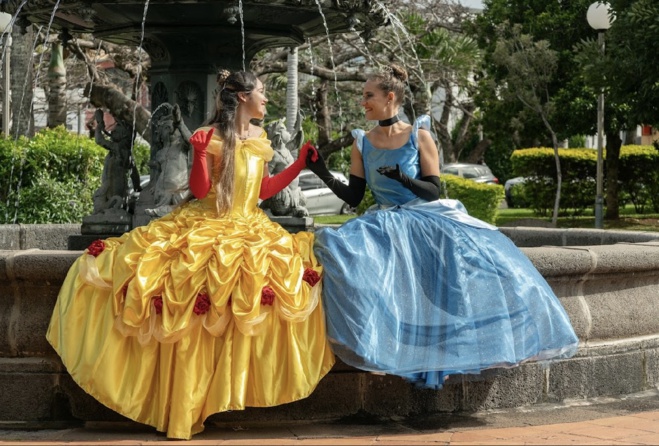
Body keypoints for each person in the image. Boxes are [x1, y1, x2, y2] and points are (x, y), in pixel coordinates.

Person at [46, 70, 335, 439]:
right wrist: (199, 152)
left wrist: (299, 165)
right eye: (262, 92)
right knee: (189, 287)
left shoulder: (261, 138)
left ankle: (225, 389)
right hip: (206, 221)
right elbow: (199, 191)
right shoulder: (210, 136)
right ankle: (185, 398)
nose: (267, 98)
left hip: (250, 224)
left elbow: (262, 189)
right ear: (243, 97)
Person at [306, 64, 578, 389]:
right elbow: (354, 195)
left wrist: (403, 178)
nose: (362, 102)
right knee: (335, 249)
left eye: (368, 96)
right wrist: (321, 171)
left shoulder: (419, 135)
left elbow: (433, 189)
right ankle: (385, 344)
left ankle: (447, 353)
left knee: (456, 283)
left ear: (389, 97)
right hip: (384, 220)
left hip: (424, 217)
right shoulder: (362, 142)